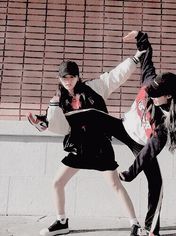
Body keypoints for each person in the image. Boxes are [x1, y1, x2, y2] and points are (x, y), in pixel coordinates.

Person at [54, 31, 176, 236]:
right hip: (122, 126)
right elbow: (146, 55)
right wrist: (140, 36)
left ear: (168, 96)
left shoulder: (164, 126)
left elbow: (147, 153)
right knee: (91, 113)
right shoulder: (149, 81)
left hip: (140, 144)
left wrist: (130, 173)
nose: (150, 97)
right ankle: (50, 120)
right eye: (149, 93)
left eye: (156, 96)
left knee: (157, 184)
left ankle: (151, 230)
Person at [27, 49, 146, 236]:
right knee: (57, 183)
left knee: (115, 185)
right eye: (64, 78)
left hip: (100, 147)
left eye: (71, 77)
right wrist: (39, 123)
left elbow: (116, 76)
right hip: (79, 148)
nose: (67, 82)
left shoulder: (95, 87)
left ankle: (135, 225)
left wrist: (135, 58)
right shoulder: (58, 100)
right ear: (59, 79)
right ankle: (62, 222)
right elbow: (55, 125)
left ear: (78, 77)